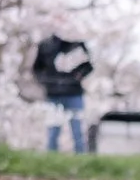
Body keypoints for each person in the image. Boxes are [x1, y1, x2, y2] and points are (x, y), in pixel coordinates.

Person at [30, 27, 97, 155]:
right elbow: (37, 69)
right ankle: (52, 159)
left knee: (77, 130)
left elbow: (89, 65)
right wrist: (47, 82)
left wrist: (78, 76)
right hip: (54, 94)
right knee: (53, 130)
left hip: (74, 93)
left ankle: (81, 159)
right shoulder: (45, 45)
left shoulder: (77, 44)